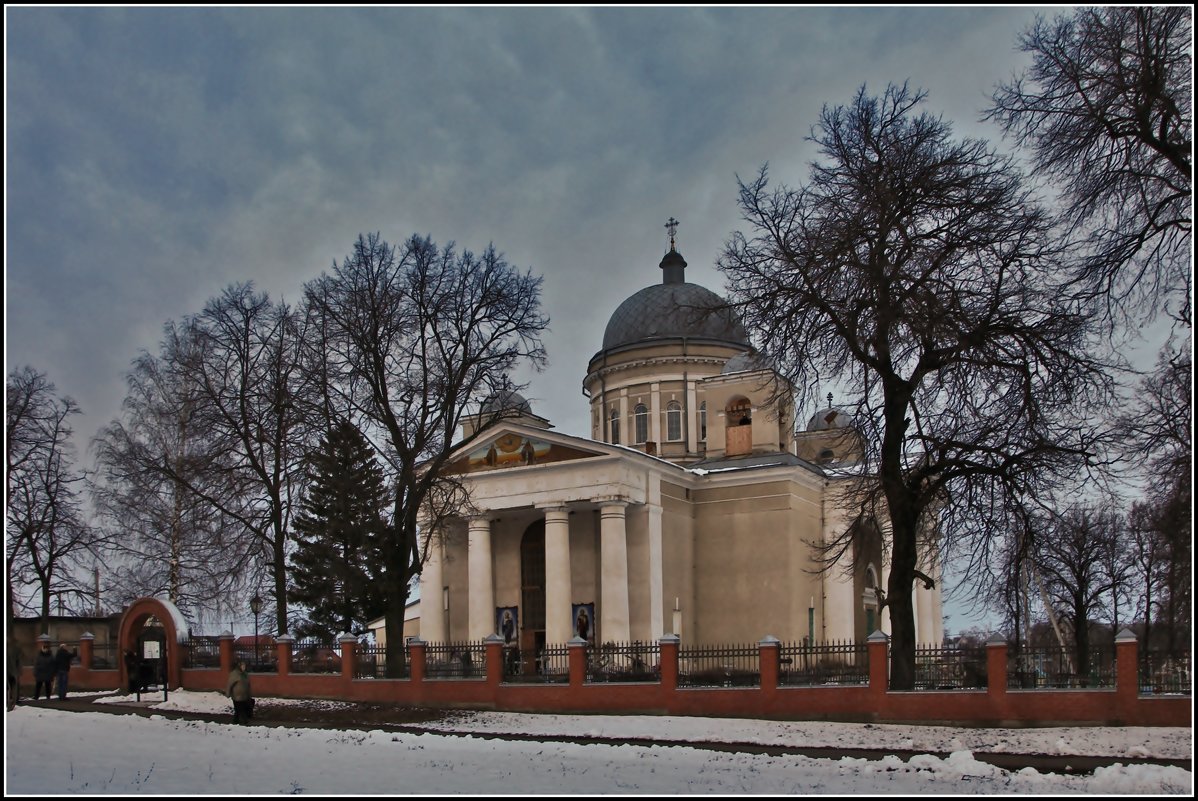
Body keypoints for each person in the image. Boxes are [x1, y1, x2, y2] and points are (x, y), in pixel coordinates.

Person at [226, 660, 253, 725]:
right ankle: (245, 721)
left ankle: (235, 721)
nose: (244, 667)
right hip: (237, 695)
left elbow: (248, 684)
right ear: (239, 667)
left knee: (238, 710)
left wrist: (249, 694)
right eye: (242, 666)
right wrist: (228, 693)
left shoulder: (245, 674)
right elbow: (230, 684)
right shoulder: (234, 674)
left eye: (245, 666)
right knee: (241, 709)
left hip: (244, 695)